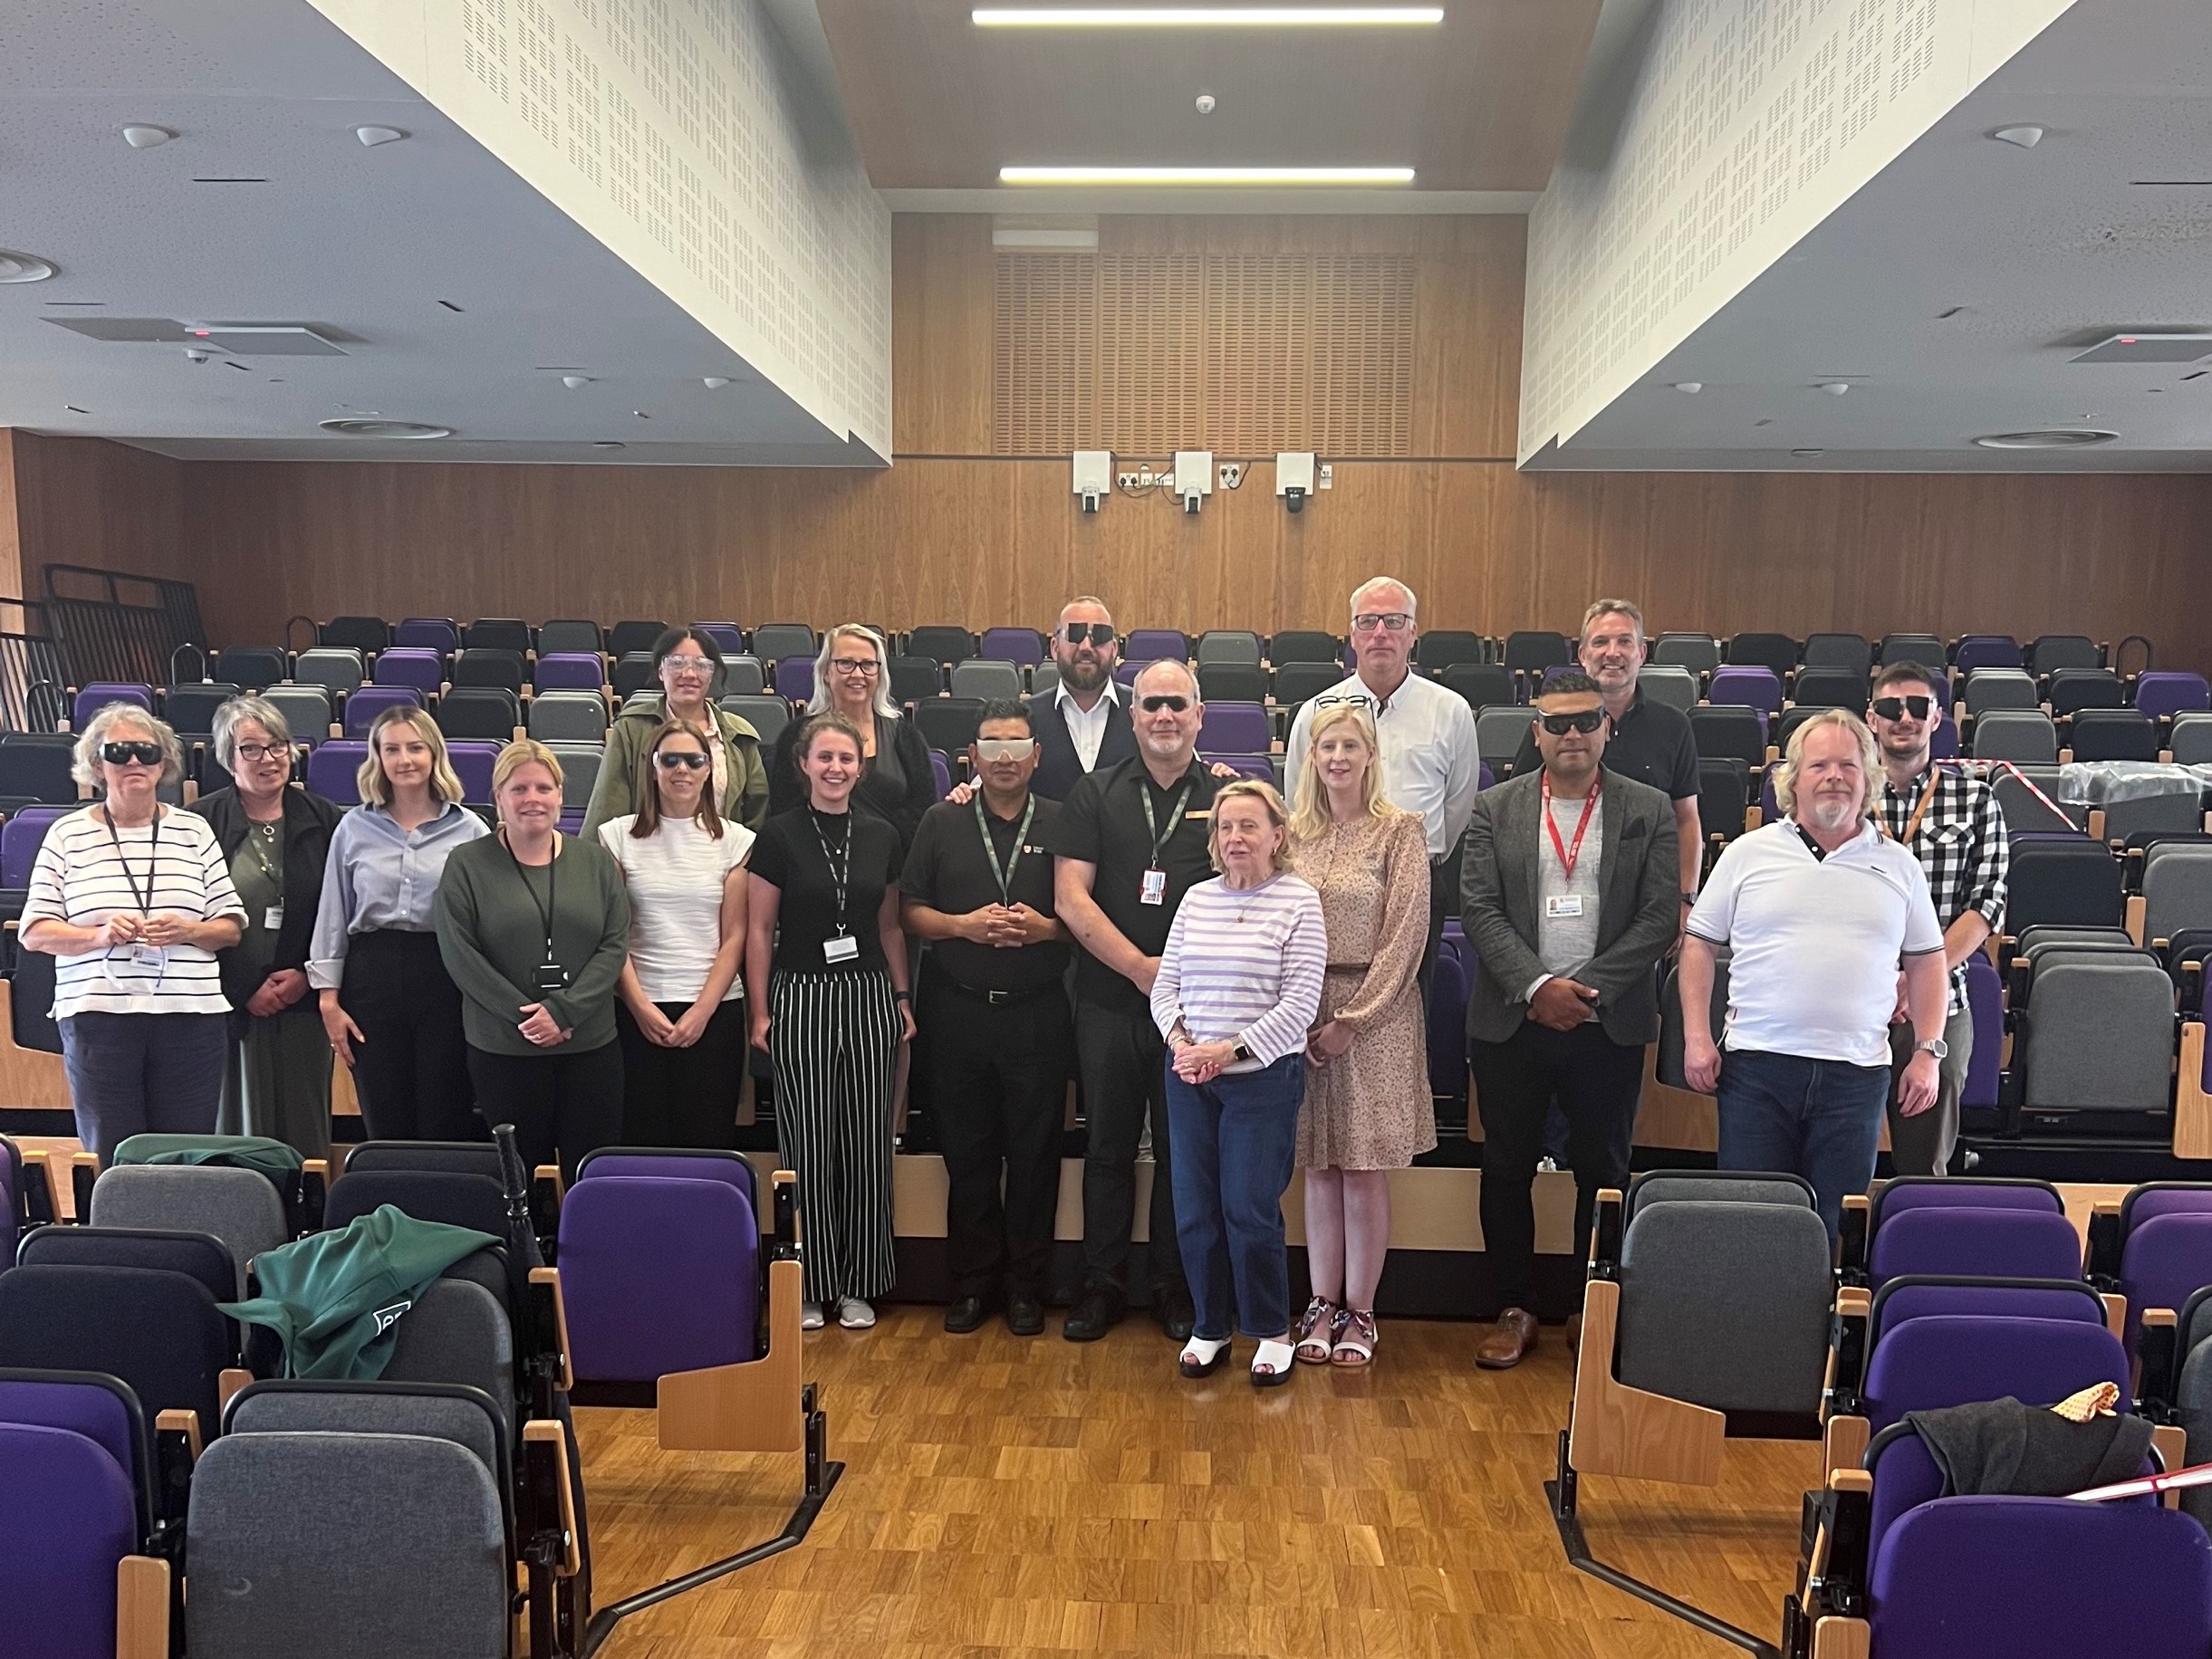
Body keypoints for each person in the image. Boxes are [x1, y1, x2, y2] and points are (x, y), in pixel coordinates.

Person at [1459, 672, 1680, 1368]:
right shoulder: (1495, 808)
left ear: (1606, 726)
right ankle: (1513, 1305)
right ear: (1536, 734)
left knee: (1605, 1170)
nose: (1573, 735)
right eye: (1557, 724)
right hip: (1513, 1020)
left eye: (1586, 721)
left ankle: (1595, 1302)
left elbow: (1657, 917)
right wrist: (1535, 986)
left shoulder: (1647, 808)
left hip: (1605, 1021)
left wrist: (1580, 990)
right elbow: (1479, 910)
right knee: (1505, 1167)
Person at [1681, 709, 1948, 1240]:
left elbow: (1927, 961)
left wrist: (1928, 1050)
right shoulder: (1746, 854)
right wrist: (1696, 1037)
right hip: (1757, 1070)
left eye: (1849, 765)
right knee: (1750, 1223)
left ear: (1868, 779)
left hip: (1856, 1077)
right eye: (1819, 765)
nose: (1834, 776)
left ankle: (1825, 1322)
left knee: (1834, 1228)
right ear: (1792, 780)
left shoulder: (1899, 866)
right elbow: (1698, 946)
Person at [1052, 658, 1220, 1343]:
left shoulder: (1225, 798)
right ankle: (1103, 1284)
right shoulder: (1094, 793)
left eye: (1178, 704)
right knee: (1109, 1149)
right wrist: (1139, 969)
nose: (1164, 717)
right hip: (1108, 1000)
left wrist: (1171, 982)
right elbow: (1070, 898)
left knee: (1184, 1153)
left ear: (1199, 715)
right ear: (1133, 716)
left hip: (1197, 1011)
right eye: (1152, 704)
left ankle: (1174, 1286)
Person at [900, 700, 1069, 1337]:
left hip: (1037, 1016)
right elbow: (911, 909)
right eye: (991, 745)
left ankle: (1027, 1288)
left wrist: (1046, 929)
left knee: (1034, 1156)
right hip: (959, 1012)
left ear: (1036, 756)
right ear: (972, 755)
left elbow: (1084, 916)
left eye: (1015, 745)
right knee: (967, 1156)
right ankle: (971, 1285)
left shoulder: (1062, 822)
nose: (1003, 757)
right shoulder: (941, 821)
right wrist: (963, 926)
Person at [1151, 782, 1326, 1386]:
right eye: (1226, 828)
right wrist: (1181, 1046)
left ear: (1277, 836)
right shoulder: (1197, 899)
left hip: (1260, 1079)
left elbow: (1302, 1001)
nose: (1236, 838)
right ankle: (1209, 1326)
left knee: (1248, 1208)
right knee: (1194, 1209)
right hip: (1190, 1077)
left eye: (1250, 826)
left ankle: (1270, 1328)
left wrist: (1226, 1051)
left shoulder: (1299, 901)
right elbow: (1164, 985)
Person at [747, 712, 915, 1332]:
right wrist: (760, 1010)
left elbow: (890, 925)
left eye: (846, 759)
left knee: (867, 1143)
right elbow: (761, 931)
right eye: (825, 758)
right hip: (801, 996)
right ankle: (812, 1282)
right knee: (807, 1142)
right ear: (804, 764)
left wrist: (901, 998)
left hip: (869, 994)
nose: (836, 769)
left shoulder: (883, 833)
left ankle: (862, 1280)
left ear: (860, 766)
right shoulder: (779, 835)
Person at [21, 705, 245, 1162]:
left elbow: (230, 927)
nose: (134, 762)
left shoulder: (194, 830)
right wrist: (99, 936)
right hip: (99, 1018)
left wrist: (189, 929)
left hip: (191, 1017)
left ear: (164, 763)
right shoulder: (67, 835)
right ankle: (118, 1236)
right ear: (97, 765)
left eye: (147, 751)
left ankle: (182, 1236)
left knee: (187, 1156)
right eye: (119, 752)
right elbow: (35, 932)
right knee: (113, 1155)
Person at [1283, 702, 1433, 1368]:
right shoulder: (1292, 835)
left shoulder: (1401, 831)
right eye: (1326, 747)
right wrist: (1296, 1014)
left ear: (1371, 755)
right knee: (1318, 1163)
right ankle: (1320, 1304)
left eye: (1350, 746)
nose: (1338, 757)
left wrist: (1354, 1020)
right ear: (1311, 758)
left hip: (1377, 1015)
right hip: (1303, 1011)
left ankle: (1361, 1312)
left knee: (1364, 1169)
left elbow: (1407, 935)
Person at [437, 740, 630, 1181]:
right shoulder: (466, 864)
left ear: (561, 795)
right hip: (504, 1046)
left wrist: (563, 1010)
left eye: (544, 788)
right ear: (498, 797)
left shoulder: (596, 862)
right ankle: (525, 1251)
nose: (532, 799)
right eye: (518, 788)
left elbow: (615, 944)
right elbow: (460, 952)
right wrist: (528, 1017)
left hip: (590, 1045)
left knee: (594, 1170)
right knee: (519, 1174)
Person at [1282, 576, 1482, 984]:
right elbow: (1298, 801)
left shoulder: (1451, 710)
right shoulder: (1316, 711)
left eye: (1393, 621)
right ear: (1351, 635)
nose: (1380, 633)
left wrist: (1411, 856)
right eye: (1367, 621)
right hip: (1329, 884)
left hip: (1419, 881)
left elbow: (1458, 805)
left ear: (1413, 633)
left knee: (1408, 1002)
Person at [310, 705, 489, 1142]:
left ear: (434, 755)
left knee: (444, 1106)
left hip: (444, 973)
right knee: (383, 1108)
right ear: (378, 758)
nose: (404, 759)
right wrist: (328, 1000)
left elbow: (488, 918)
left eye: (415, 747)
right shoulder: (353, 826)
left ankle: (435, 1205)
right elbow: (333, 911)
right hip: (371, 974)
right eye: (392, 749)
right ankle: (388, 1208)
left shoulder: (470, 830)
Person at [1868, 662, 2008, 1177]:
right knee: (1837, 1154)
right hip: (1852, 997)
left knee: (1923, 1163)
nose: (1903, 717)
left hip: (1943, 1000)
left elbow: (1987, 904)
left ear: (1937, 718)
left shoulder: (1976, 799)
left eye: (1917, 707)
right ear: (1872, 719)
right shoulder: (1846, 798)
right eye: (1890, 707)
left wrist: (1916, 980)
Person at [192, 695, 345, 1160]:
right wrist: (244, 987)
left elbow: (340, 912)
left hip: (303, 998)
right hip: (231, 1002)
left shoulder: (325, 819)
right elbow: (193, 917)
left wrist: (306, 974)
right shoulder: (199, 822)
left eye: (278, 745)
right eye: (251, 749)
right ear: (227, 757)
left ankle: (307, 1218)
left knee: (305, 1124)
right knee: (236, 1123)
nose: (269, 759)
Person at [598, 719, 755, 1148]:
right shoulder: (616, 836)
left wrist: (701, 1012)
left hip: (714, 1014)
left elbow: (734, 938)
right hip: (635, 1011)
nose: (681, 769)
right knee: (641, 1142)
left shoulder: (735, 841)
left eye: (693, 759)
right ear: (652, 768)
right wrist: (640, 1006)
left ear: (709, 770)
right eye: (670, 759)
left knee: (707, 1145)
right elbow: (614, 935)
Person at [1509, 600, 1702, 925]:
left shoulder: (1673, 726)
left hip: (1644, 903)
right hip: (1554, 892)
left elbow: (1686, 819)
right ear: (1583, 655)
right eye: (1600, 642)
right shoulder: (1553, 724)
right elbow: (1517, 810)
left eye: (1624, 641)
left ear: (1642, 653)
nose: (1612, 652)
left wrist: (1685, 899)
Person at [582, 626, 770, 837]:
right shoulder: (631, 729)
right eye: (676, 663)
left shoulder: (739, 736)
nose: (689, 674)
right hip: (646, 859)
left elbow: (757, 818)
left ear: (712, 673)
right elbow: (607, 811)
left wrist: (742, 866)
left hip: (724, 861)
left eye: (701, 665)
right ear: (661, 671)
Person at [768, 623, 935, 853]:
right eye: (846, 663)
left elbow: (923, 810)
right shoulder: (795, 736)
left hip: (892, 862)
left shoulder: (906, 737)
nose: (858, 674)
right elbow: (784, 808)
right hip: (813, 860)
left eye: (868, 665)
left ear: (880, 675)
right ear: (826, 672)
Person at [1030, 596, 1135, 801]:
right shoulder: (1025, 716)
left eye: (1099, 635)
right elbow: (994, 785)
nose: (1086, 646)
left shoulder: (1147, 711)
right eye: (1075, 634)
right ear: (1054, 647)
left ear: (1114, 649)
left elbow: (1184, 768)